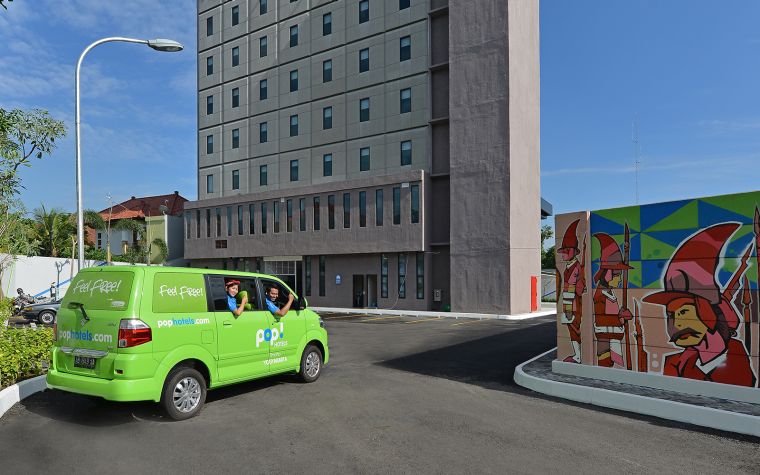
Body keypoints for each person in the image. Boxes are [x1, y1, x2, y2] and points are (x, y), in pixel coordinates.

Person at [642, 223, 756, 387]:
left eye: (684, 312)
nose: (676, 324)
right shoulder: (675, 362)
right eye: (671, 315)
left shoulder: (736, 358)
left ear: (710, 312)